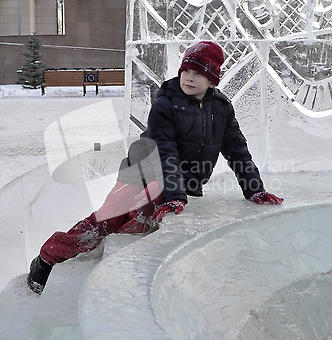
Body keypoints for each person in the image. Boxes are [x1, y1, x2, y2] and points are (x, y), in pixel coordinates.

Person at [27, 41, 283, 294]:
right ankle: (47, 259)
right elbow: (165, 152)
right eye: (186, 71)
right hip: (140, 172)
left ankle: (113, 271)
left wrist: (254, 189)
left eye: (198, 73)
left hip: (170, 184)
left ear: (212, 79)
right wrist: (175, 196)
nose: (189, 78)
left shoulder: (221, 108)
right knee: (107, 220)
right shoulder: (166, 105)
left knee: (139, 225)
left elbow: (237, 149)